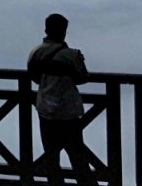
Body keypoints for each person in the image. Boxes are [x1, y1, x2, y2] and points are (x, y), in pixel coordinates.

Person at [27, 13, 97, 186]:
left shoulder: (35, 52)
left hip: (45, 110)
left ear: (46, 29)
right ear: (64, 31)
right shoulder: (72, 55)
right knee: (77, 155)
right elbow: (83, 77)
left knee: (51, 156)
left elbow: (34, 77)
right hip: (68, 112)